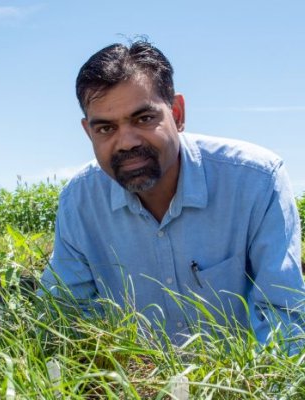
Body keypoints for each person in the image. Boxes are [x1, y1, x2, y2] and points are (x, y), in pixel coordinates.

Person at [40, 40, 304, 349]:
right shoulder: (79, 204)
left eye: (144, 119)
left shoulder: (256, 181)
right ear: (88, 132)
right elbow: (64, 318)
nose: (125, 142)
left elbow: (284, 315)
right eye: (105, 129)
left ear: (177, 114)